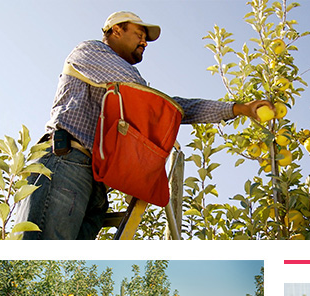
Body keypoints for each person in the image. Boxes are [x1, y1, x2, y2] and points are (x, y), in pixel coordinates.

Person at [22, 11, 272, 239]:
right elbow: (155, 102)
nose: (144, 42)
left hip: (93, 177)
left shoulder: (122, 86)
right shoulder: (91, 51)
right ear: (116, 30)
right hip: (65, 161)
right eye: (139, 35)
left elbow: (169, 108)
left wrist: (237, 109)